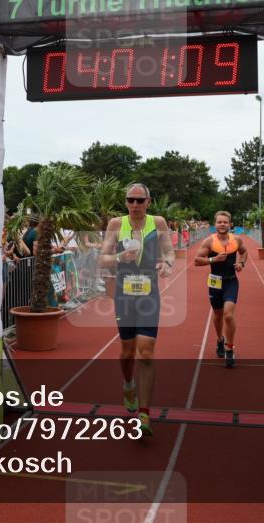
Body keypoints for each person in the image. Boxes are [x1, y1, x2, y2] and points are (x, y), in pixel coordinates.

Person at [98, 183, 174, 437]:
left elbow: (170, 252)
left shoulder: (158, 222)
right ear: (126, 201)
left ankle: (144, 413)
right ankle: (128, 384)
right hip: (124, 295)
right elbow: (102, 259)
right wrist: (120, 258)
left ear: (149, 202)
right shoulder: (116, 225)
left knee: (146, 352)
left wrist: (167, 264)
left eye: (140, 201)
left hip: (149, 295)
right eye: (131, 200)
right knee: (127, 352)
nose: (135, 205)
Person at [193, 211, 248, 369]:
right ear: (215, 224)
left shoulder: (236, 240)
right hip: (215, 282)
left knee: (228, 315)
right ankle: (219, 339)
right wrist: (213, 259)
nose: (222, 224)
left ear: (230, 224)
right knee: (217, 315)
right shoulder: (209, 242)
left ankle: (229, 349)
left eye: (225, 222)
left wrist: (241, 264)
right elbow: (197, 260)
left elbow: (244, 252)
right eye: (219, 222)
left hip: (231, 282)